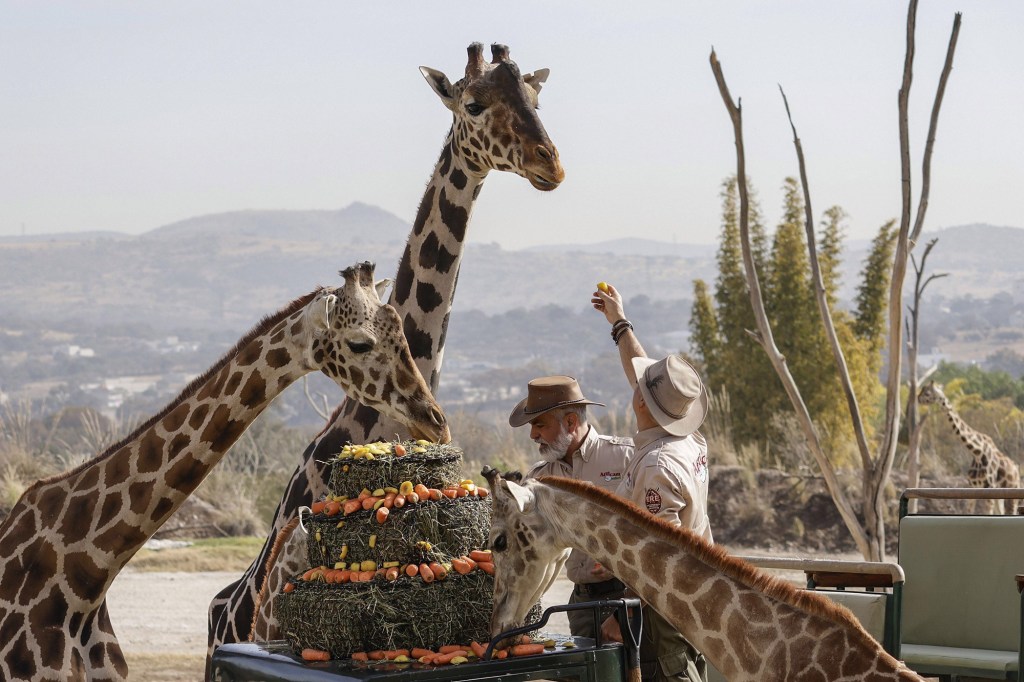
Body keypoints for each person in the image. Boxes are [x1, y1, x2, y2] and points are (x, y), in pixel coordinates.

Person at [591, 283, 711, 682]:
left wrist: (624, 612)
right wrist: (619, 323)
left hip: (666, 611)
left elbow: (663, 559)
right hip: (696, 595)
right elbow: (641, 371)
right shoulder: (686, 439)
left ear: (641, 404)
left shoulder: (656, 467)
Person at [509, 374, 633, 638]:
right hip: (581, 605)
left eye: (539, 425)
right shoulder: (537, 479)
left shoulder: (626, 458)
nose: (533, 435)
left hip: (629, 600)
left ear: (570, 421)